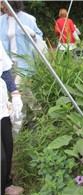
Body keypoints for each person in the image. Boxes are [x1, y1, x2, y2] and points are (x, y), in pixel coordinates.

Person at [0, 0, 43, 83]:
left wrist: (32, 34)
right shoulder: (1, 21)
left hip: (24, 61)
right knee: (24, 90)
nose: (2, 7)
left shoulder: (28, 19)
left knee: (17, 87)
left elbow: (39, 37)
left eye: (4, 4)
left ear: (13, 4)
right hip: (8, 61)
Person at [1, 40, 24, 195]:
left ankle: (5, 184)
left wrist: (15, 93)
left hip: (1, 106)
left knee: (8, 145)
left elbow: (5, 69)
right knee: (0, 158)